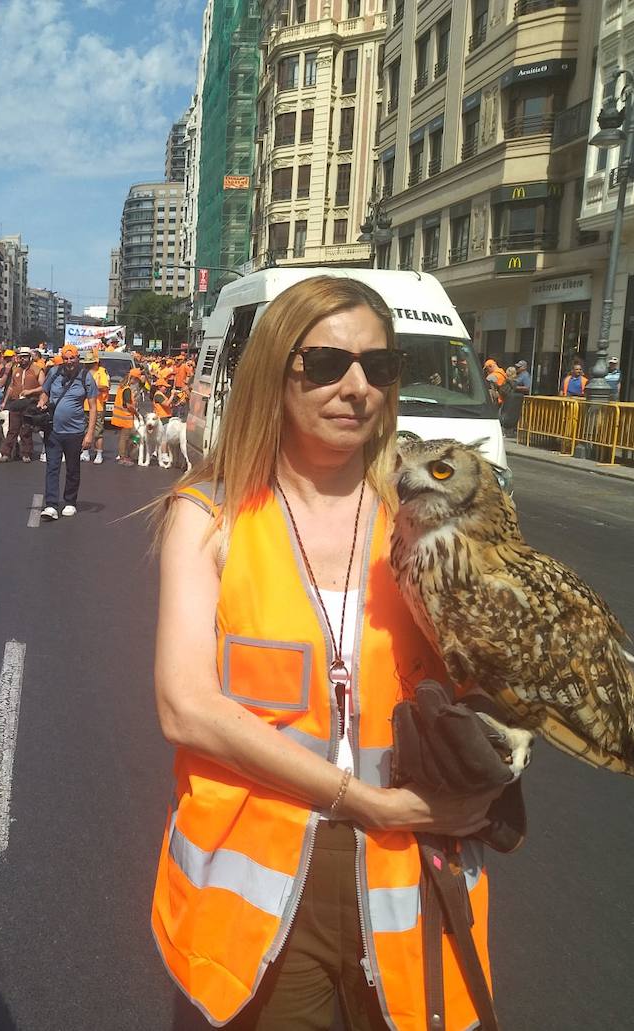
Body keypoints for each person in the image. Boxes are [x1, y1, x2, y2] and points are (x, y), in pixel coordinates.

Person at [151, 276, 504, 1029]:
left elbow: (499, 681)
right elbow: (186, 707)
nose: (356, 387)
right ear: (277, 371)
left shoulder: (429, 523)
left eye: (378, 367)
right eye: (326, 364)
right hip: (261, 891)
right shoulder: (209, 517)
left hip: (412, 868)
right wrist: (366, 802)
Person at [36, 343, 97, 520]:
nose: (69, 362)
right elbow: (45, 392)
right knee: (52, 467)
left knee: (72, 468)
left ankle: (70, 502)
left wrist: (90, 433)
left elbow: (93, 407)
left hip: (75, 431)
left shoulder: (86, 377)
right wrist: (42, 402)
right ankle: (51, 505)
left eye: (72, 358)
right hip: (53, 429)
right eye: (66, 358)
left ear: (78, 358)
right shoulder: (54, 372)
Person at [0, 346, 43, 462]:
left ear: (30, 358)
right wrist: (4, 402)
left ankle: (26, 453)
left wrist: (31, 392)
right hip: (15, 402)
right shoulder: (16, 370)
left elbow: (44, 386)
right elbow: (11, 387)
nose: (23, 359)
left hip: (30, 402)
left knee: (26, 429)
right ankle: (6, 453)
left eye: (25, 357)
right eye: (21, 357)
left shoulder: (37, 369)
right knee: (12, 429)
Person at [79, 349, 109, 463]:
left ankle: (99, 453)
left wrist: (93, 386)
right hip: (83, 406)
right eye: (87, 363)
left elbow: (105, 387)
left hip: (97, 407)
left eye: (90, 363)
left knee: (97, 432)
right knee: (84, 430)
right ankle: (85, 452)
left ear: (96, 362)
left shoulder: (102, 372)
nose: (88, 365)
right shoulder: (83, 372)